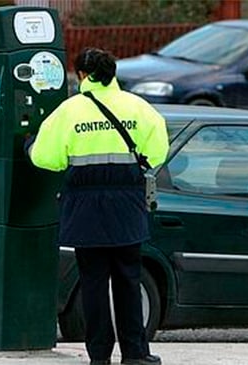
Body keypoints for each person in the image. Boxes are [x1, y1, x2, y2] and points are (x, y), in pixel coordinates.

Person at [28, 47, 169, 365]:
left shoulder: (70, 111)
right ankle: (135, 353)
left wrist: (29, 145)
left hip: (85, 208)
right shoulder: (138, 107)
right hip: (127, 206)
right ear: (112, 73)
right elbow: (158, 150)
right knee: (128, 280)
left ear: (82, 75)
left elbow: (44, 157)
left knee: (93, 283)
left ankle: (99, 354)